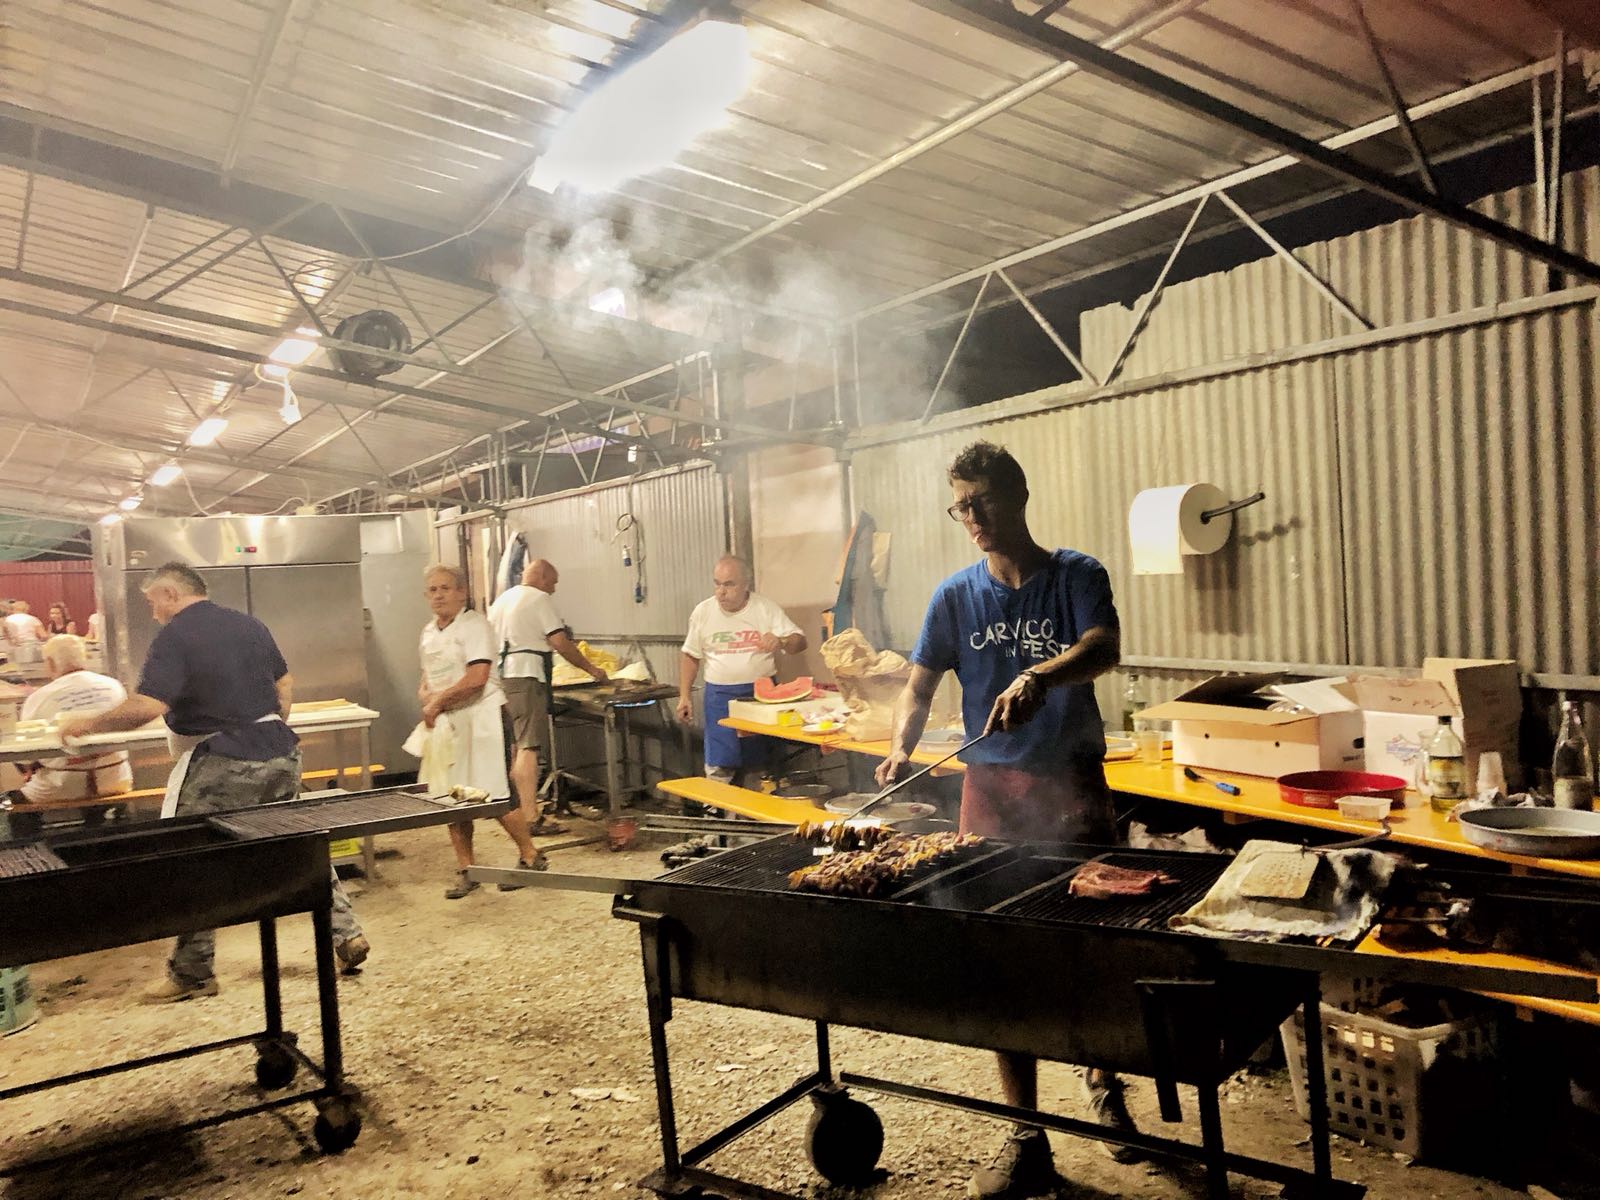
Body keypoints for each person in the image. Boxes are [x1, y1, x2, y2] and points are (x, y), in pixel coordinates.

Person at [874, 442, 1135, 1199]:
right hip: (990, 790)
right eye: (960, 505)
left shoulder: (1076, 575)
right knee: (1000, 954)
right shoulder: (954, 596)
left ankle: (1104, 1080)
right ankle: (1026, 1132)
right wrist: (900, 746)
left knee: (1090, 942)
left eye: (982, 500)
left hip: (1071, 783)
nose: (972, 517)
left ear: (1017, 496)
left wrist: (1039, 676)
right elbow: (919, 685)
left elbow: (1103, 648)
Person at [56, 562, 369, 1002]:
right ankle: (347, 934)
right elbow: (284, 684)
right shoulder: (248, 624)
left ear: (170, 594)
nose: (153, 613)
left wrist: (86, 723)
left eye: (152, 602)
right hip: (281, 752)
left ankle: (193, 973)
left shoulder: (176, 634)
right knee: (296, 844)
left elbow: (148, 705)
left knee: (194, 859)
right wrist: (267, 727)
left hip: (222, 760)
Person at [418, 564, 545, 899]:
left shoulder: (474, 626)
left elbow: (477, 679)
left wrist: (437, 702)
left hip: (483, 718)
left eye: (445, 588)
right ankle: (468, 870)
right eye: (432, 590)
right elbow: (428, 674)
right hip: (450, 724)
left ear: (461, 592)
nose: (438, 595)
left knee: (494, 794)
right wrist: (426, 696)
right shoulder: (429, 632)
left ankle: (531, 856)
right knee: (451, 798)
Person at [487, 558, 607, 836]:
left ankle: (516, 809)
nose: (553, 589)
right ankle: (531, 818)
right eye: (552, 583)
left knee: (516, 745)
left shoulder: (502, 600)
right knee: (529, 747)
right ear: (541, 577)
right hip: (526, 676)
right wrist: (592, 670)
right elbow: (559, 643)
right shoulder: (538, 599)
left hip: (502, 678)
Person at [676, 556, 807, 785]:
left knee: (761, 763)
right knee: (719, 765)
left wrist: (782, 641)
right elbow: (691, 655)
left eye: (729, 584)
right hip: (719, 698)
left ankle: (759, 804)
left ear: (746, 584)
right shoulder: (703, 612)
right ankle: (717, 806)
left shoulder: (765, 608)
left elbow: (800, 642)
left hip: (760, 697)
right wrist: (684, 696)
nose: (721, 592)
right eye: (717, 584)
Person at [5, 634, 132, 837]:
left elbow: (26, 756)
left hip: (63, 783)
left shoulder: (40, 697)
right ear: (84, 657)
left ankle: (33, 848)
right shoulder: (113, 686)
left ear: (50, 663)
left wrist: (29, 769)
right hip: (116, 778)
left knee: (13, 805)